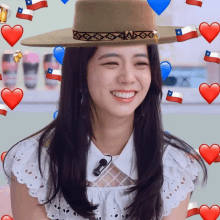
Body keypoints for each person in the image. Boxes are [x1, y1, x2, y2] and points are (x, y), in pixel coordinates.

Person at [2, 0, 208, 220]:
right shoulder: (34, 164)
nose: (128, 78)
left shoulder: (174, 165)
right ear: (81, 72)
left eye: (140, 64)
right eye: (111, 63)